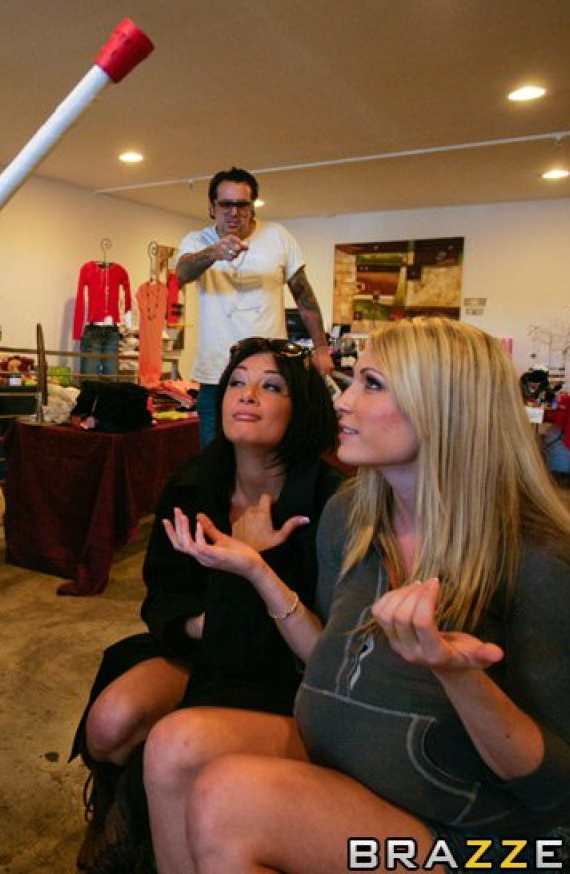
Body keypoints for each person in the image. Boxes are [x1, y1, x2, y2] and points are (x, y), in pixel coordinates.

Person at [144, 317, 570, 873]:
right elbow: (328, 661)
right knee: (175, 744)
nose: (342, 402)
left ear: (443, 407)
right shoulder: (352, 514)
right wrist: (256, 571)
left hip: (478, 832)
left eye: (372, 384)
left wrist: (458, 676)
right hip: (357, 766)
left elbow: (558, 791)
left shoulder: (546, 562)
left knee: (231, 799)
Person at [71, 337, 340, 872]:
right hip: (206, 647)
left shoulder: (329, 500)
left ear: (303, 407)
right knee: (109, 724)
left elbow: (329, 640)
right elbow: (164, 591)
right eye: (237, 382)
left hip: (288, 671)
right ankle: (110, 804)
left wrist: (252, 567)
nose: (247, 395)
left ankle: (155, 825)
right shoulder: (193, 485)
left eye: (271, 386)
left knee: (183, 752)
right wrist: (202, 625)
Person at [174, 167, 333, 445]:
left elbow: (303, 294)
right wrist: (214, 252)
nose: (234, 212)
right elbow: (182, 274)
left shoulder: (278, 236)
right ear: (212, 207)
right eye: (226, 204)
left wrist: (321, 348)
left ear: (252, 207)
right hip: (215, 372)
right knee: (215, 457)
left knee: (271, 451)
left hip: (271, 369)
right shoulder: (196, 241)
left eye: (242, 204)